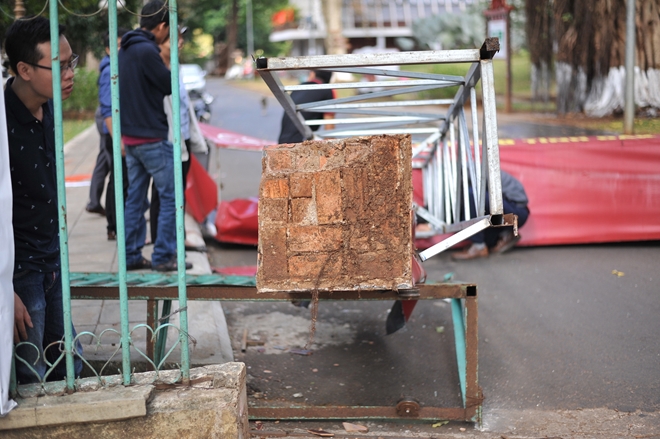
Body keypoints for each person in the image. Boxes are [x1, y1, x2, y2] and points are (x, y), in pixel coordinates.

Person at [4, 16, 83, 384]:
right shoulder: (2, 121)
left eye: (71, 62)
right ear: (24, 69)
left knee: (70, 368)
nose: (70, 74)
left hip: (52, 259)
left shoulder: (50, 107)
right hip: (19, 271)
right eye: (60, 66)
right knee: (28, 378)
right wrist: (5, 292)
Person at [119, 0, 188, 272]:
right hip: (151, 138)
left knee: (135, 198)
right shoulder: (148, 51)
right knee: (171, 197)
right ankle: (163, 256)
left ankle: (130, 255)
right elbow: (168, 85)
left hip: (131, 138)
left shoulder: (125, 48)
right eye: (168, 30)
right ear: (161, 26)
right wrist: (170, 57)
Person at [150, 27, 208, 248]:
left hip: (183, 138)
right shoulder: (156, 70)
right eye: (174, 39)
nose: (180, 43)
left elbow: (184, 107)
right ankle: (163, 244)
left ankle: (175, 240)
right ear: (160, 42)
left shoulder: (176, 68)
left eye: (181, 38)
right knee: (164, 194)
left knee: (178, 192)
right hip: (167, 141)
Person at [452, 170, 530, 260]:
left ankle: (479, 247)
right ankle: (503, 235)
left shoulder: (469, 171)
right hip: (504, 214)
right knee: (459, 223)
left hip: (516, 212)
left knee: (473, 194)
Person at [98, 28, 129, 241]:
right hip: (116, 135)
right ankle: (115, 226)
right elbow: (107, 109)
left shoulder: (118, 67)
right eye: (117, 46)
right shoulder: (109, 71)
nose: (121, 50)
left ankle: (116, 225)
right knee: (119, 179)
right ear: (108, 49)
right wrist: (118, 140)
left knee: (120, 179)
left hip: (121, 133)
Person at [277, 70, 335, 144]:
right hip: (300, 144)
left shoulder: (298, 88)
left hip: (282, 141)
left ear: (312, 74)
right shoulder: (328, 91)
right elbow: (329, 131)